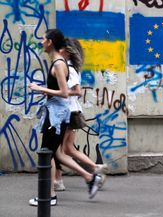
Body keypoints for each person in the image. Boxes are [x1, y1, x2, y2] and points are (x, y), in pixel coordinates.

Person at [28, 29, 103, 207]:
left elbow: (63, 93)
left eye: (44, 39)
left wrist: (40, 89)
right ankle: (89, 177)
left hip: (57, 115)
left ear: (51, 42)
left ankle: (50, 196)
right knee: (55, 153)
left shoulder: (59, 64)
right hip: (56, 113)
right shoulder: (57, 62)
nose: (41, 42)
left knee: (48, 153)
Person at [54, 38, 108, 192]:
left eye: (60, 48)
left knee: (56, 151)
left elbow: (77, 91)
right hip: (72, 111)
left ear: (67, 51)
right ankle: (95, 167)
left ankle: (59, 180)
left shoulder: (68, 69)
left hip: (67, 112)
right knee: (68, 148)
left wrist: (58, 93)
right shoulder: (69, 67)